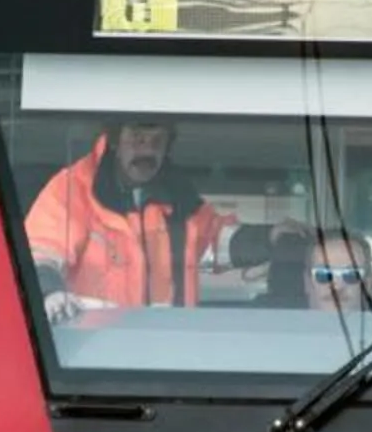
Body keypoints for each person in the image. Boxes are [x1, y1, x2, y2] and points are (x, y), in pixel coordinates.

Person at [26, 119, 243, 324]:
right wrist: (50, 292)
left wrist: (268, 238)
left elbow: (216, 243)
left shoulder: (180, 199)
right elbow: (40, 255)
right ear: (115, 140)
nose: (147, 151)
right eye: (137, 138)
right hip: (89, 349)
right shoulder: (73, 190)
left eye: (157, 142)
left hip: (171, 350)